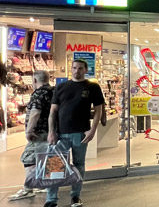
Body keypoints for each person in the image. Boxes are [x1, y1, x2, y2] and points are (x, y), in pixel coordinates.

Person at [46, 60, 105, 207]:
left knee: (79, 165)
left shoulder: (92, 87)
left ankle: (75, 196)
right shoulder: (61, 87)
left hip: (81, 133)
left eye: (79, 68)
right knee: (55, 165)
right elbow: (53, 111)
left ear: (85, 70)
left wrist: (92, 130)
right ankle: (51, 199)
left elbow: (98, 110)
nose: (76, 71)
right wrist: (51, 132)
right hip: (61, 133)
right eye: (74, 68)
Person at [8, 71, 53, 201]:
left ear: (34, 81)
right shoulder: (53, 92)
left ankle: (29, 188)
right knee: (44, 158)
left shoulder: (39, 93)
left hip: (38, 133)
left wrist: (29, 130)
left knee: (28, 158)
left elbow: (35, 112)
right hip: (50, 132)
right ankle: (42, 184)